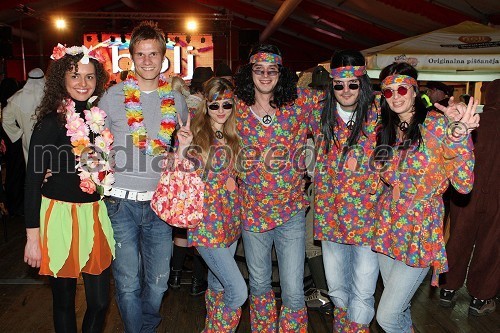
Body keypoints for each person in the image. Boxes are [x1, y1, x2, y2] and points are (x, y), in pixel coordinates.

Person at [372, 62, 479, 332]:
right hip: (388, 227)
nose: (395, 96)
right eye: (388, 92)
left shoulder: (437, 126)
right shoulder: (386, 129)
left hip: (420, 230)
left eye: (402, 89)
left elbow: (464, 186)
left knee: (386, 315)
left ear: (415, 91)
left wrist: (460, 134)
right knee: (400, 308)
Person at [98, 21, 188, 332]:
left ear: (164, 57)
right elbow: (91, 138)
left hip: (159, 206)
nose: (147, 61)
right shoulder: (112, 96)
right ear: (131, 58)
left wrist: (186, 148)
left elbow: (182, 154)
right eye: (140, 54)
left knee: (159, 282)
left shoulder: (176, 101)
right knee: (126, 282)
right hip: (120, 203)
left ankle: (145, 326)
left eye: (153, 54)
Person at [23, 43, 115, 332]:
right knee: (63, 302)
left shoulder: (97, 121)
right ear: (62, 78)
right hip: (59, 218)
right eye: (75, 76)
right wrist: (32, 237)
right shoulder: (49, 124)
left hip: (94, 215)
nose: (82, 83)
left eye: (89, 76)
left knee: (100, 302)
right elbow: (31, 182)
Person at [233, 44, 323, 332]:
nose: (265, 75)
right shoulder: (235, 106)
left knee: (293, 288)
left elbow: (343, 108)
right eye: (259, 70)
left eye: (272, 70)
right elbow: (208, 128)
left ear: (281, 74)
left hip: (291, 212)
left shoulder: (302, 102)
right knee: (259, 284)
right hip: (252, 211)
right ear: (250, 73)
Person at [312, 50, 381, 332]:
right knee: (338, 290)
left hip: (368, 220)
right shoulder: (318, 112)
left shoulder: (381, 113)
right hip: (331, 218)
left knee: (363, 291)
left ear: (362, 83)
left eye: (352, 84)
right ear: (332, 85)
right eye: (339, 84)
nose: (346, 90)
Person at [175, 77, 247, 331]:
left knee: (218, 287)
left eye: (226, 105)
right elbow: (179, 175)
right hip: (206, 224)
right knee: (238, 292)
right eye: (214, 105)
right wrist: (182, 148)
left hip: (230, 222)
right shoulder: (194, 133)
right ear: (205, 105)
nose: (220, 111)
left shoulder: (235, 133)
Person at [439, 79, 499, 316]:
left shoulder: (475, 121)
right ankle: (480, 297)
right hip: (497, 198)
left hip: (466, 194)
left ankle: (447, 288)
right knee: (491, 246)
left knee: (458, 238)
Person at [169, 68, 211, 296]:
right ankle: (197, 281)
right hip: (202, 176)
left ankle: (175, 276)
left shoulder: (182, 107)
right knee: (198, 230)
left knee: (182, 229)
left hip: (182, 173)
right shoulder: (208, 111)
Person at [2, 68, 45, 164]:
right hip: (51, 138)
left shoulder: (17, 98)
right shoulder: (51, 96)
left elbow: (4, 117)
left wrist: (18, 133)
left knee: (33, 168)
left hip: (29, 139)